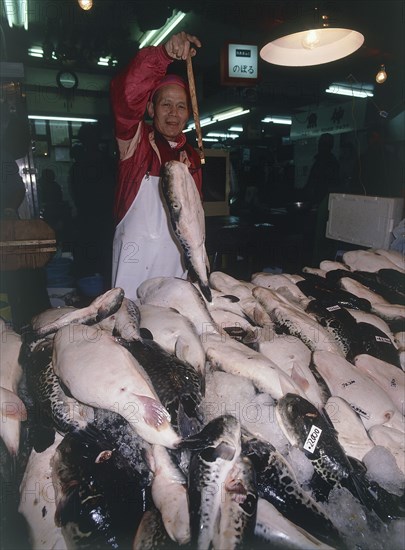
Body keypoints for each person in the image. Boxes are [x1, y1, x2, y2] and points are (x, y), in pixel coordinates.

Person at [110, 31, 203, 301]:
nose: (173, 113)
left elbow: (194, 223)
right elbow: (126, 97)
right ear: (151, 109)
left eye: (181, 106)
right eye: (166, 104)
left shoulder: (193, 158)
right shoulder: (135, 143)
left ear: (189, 114)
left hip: (175, 272)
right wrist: (162, 55)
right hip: (133, 271)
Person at [69, 123, 116, 287]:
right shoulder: (109, 162)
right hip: (102, 222)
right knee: (105, 266)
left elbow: (76, 194)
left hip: (93, 222)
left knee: (91, 268)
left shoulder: (78, 165)